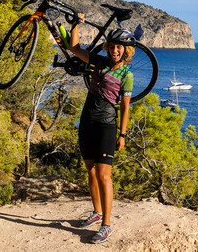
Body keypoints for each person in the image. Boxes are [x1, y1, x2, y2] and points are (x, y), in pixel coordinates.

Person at [69, 13, 135, 244]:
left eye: (119, 47)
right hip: (86, 121)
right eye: (112, 46)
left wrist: (123, 134)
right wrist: (76, 24)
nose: (115, 50)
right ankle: (96, 213)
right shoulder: (98, 61)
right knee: (90, 170)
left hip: (107, 125)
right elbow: (74, 47)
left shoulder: (127, 74)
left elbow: (125, 108)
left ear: (126, 51)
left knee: (104, 175)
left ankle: (106, 225)